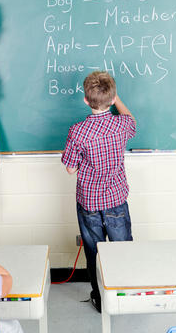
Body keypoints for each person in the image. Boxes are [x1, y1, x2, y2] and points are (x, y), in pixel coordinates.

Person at [61, 71, 136, 313]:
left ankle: (100, 297)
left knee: (93, 250)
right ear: (113, 98)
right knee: (122, 247)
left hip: (89, 201)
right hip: (116, 199)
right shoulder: (121, 125)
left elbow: (71, 170)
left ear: (85, 99)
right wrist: (116, 99)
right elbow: (130, 118)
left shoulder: (78, 131)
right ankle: (123, 295)